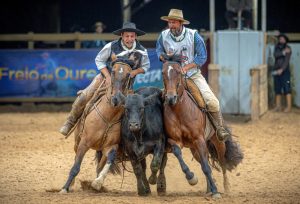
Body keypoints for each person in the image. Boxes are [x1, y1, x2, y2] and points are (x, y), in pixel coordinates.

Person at [59, 22, 150, 136]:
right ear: (121, 35)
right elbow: (99, 60)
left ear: (136, 36)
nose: (129, 39)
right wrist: (107, 76)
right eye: (127, 36)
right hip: (104, 78)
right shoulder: (111, 46)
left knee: (133, 107)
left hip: (127, 84)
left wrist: (134, 72)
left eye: (132, 36)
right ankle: (70, 122)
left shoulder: (141, 50)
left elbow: (146, 66)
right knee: (85, 96)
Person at [156, 9, 230, 142]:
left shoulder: (193, 35)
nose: (171, 25)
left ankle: (220, 128)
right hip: (172, 77)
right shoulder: (163, 35)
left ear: (181, 23)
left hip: (192, 75)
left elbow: (202, 56)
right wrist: (163, 57)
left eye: (173, 22)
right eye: (169, 22)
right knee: (158, 102)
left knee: (212, 102)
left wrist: (186, 68)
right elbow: (159, 50)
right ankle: (159, 133)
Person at [273, 33, 292, 112]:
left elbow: (286, 61)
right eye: (280, 38)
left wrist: (282, 69)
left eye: (283, 39)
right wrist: (283, 52)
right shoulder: (276, 47)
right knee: (277, 88)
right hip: (276, 70)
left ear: (285, 40)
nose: (281, 40)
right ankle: (278, 106)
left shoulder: (288, 48)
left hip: (285, 71)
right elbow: (275, 55)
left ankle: (289, 107)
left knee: (287, 88)